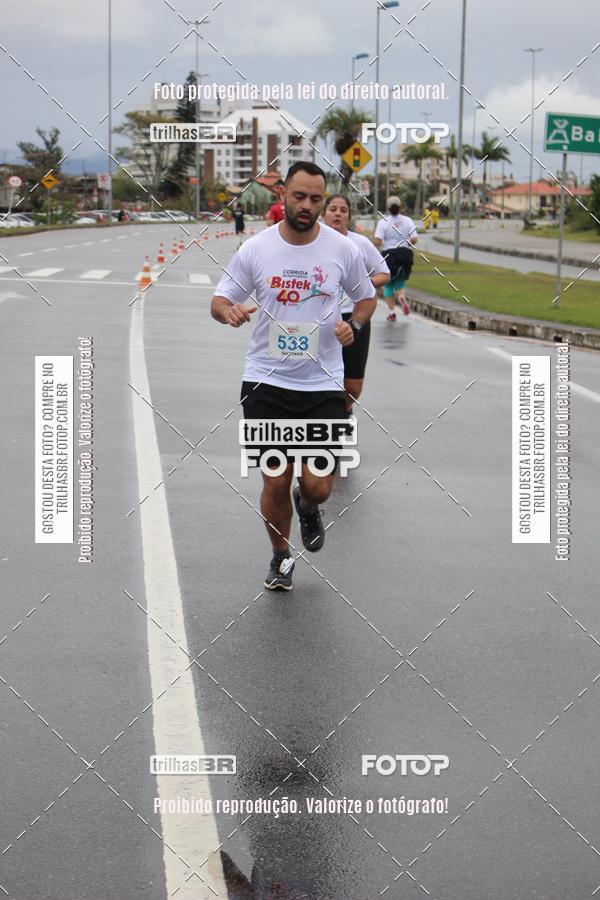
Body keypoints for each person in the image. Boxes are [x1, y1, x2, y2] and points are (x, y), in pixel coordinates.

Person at [211, 162, 376, 591]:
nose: (307, 206)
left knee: (319, 486)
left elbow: (366, 299)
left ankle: (309, 506)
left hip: (322, 383)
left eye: (316, 199)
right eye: (299, 196)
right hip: (266, 381)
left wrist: (353, 327)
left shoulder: (343, 249)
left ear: (324, 200)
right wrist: (228, 310)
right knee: (276, 477)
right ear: (283, 194)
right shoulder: (256, 248)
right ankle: (281, 557)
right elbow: (220, 298)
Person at [322, 193, 390, 418]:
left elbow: (384, 273)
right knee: (319, 378)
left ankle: (345, 408)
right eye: (333, 209)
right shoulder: (314, 241)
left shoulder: (360, 243)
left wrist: (362, 285)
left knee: (352, 386)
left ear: (349, 215)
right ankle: (328, 418)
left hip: (355, 316)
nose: (338, 214)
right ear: (324, 214)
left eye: (343, 210)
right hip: (322, 319)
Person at [373, 196, 417, 320]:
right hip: (405, 255)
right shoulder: (408, 220)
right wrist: (405, 242)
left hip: (389, 255)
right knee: (400, 281)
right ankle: (401, 297)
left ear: (388, 208)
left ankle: (392, 312)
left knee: (388, 285)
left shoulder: (383, 222)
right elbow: (414, 239)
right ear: (401, 207)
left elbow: (377, 241)